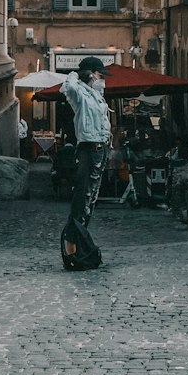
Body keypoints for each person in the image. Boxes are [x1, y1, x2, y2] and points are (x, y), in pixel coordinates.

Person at [61, 55, 112, 264]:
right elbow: (68, 87)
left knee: (90, 201)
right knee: (81, 200)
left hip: (101, 149)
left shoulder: (96, 94)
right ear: (91, 74)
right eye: (100, 75)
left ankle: (79, 249)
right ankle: (72, 251)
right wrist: (75, 72)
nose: (103, 79)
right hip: (88, 148)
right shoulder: (79, 93)